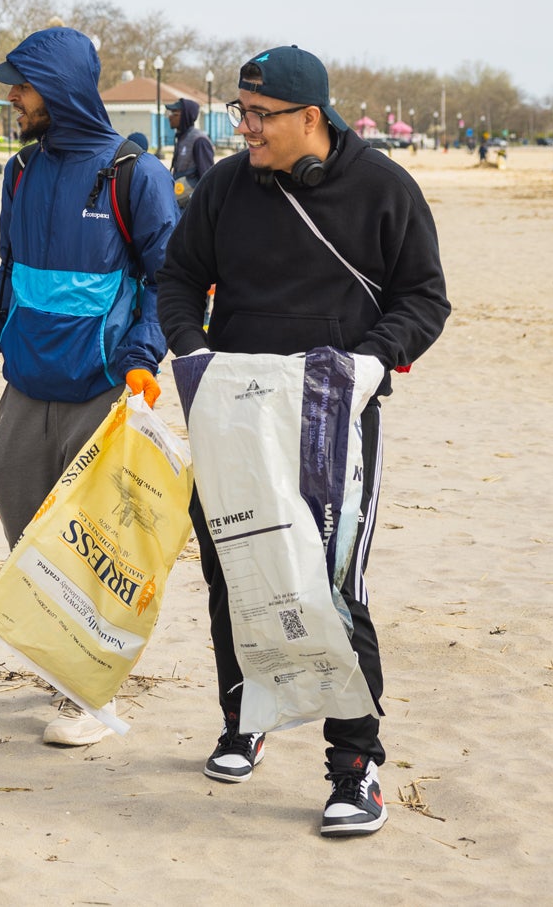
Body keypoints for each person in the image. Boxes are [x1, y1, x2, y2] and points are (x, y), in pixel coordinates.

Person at [155, 45, 449, 838]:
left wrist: (370, 357)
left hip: (333, 418)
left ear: (308, 117)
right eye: (236, 113)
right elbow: (177, 277)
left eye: (257, 116)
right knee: (231, 571)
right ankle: (242, 717)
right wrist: (190, 348)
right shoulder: (223, 185)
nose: (242, 129)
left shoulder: (385, 188)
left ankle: (355, 766)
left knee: (332, 586)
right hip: (231, 416)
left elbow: (424, 298)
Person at [0, 27, 179, 749]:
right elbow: (8, 272)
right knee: (23, 519)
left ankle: (89, 690)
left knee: (88, 539)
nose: (13, 98)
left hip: (103, 387)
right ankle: (62, 661)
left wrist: (144, 355)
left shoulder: (131, 174)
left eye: (22, 85)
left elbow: (167, 282)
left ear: (59, 87)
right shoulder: (18, 171)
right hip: (27, 381)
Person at [167, 97, 216, 204]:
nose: (170, 117)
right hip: (180, 202)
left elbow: (207, 177)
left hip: (190, 206)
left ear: (185, 116)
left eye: (175, 113)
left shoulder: (199, 140)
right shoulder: (182, 137)